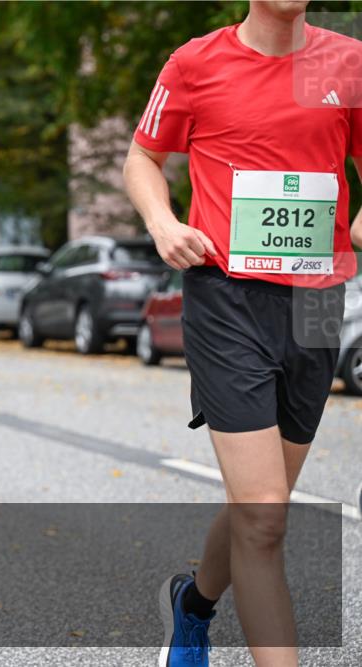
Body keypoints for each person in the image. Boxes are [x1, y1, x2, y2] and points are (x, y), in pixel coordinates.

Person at [123, 3, 362, 666]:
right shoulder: (195, 62)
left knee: (265, 501)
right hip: (226, 296)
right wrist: (163, 223)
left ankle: (192, 604)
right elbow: (143, 157)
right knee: (263, 514)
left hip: (317, 302)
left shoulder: (350, 63)